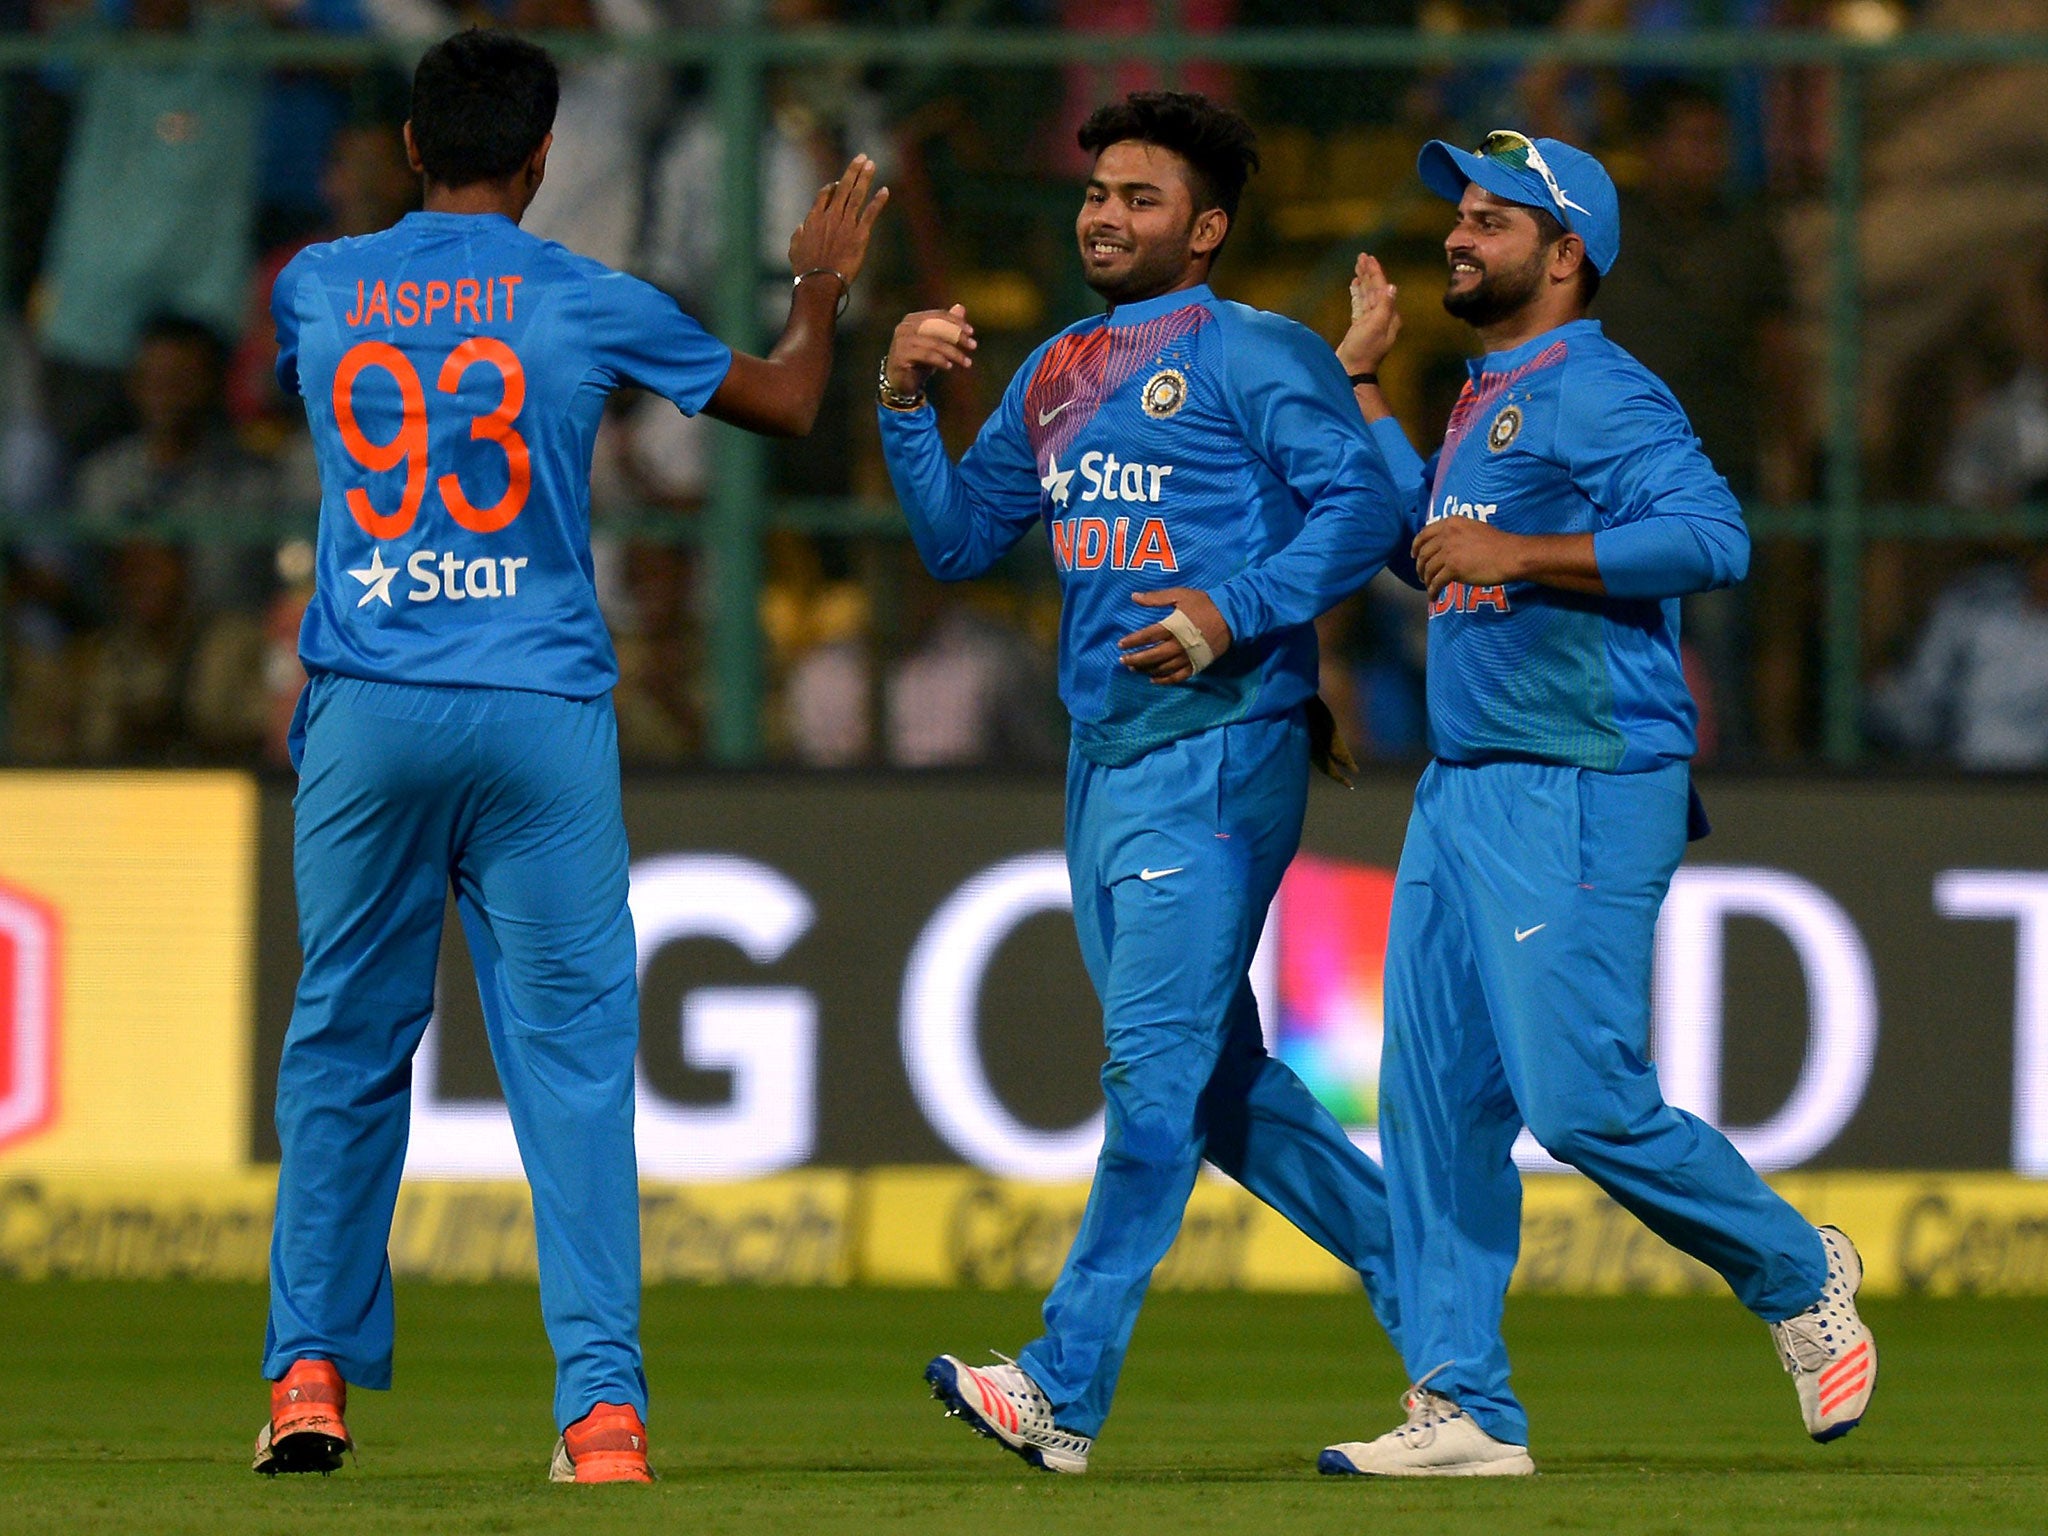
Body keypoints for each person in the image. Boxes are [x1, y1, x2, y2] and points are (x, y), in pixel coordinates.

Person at [257, 28, 885, 1483]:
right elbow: (786, 405)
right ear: (543, 161)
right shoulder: (586, 295)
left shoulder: (317, 286)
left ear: (412, 147)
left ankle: (307, 1379)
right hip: (539, 706)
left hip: (370, 700)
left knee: (345, 1047)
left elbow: (305, 374)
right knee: (576, 1067)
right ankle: (601, 1417)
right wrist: (820, 285)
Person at [1316, 130, 1875, 1479]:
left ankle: (1799, 1271)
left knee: (1579, 1105)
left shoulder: (1601, 389)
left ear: (1566, 255)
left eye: (1494, 220)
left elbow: (1714, 537)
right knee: (1436, 1112)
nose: (1459, 234)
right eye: (1461, 212)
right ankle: (1464, 1409)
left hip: (1580, 778)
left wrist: (1525, 549)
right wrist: (1371, 394)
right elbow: (1440, 556)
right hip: (1464, 790)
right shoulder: (1485, 393)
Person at [878, 90, 1408, 1474]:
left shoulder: (1256, 355)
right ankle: (1435, 1271)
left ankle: (1064, 1383)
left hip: (1225, 750)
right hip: (1105, 758)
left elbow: (1361, 508)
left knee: (1153, 1077)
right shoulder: (1058, 369)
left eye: (1141, 198)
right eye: (1098, 192)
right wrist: (901, 403)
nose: (1105, 216)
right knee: (1218, 1082)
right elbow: (957, 539)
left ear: (1208, 229)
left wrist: (1232, 612)